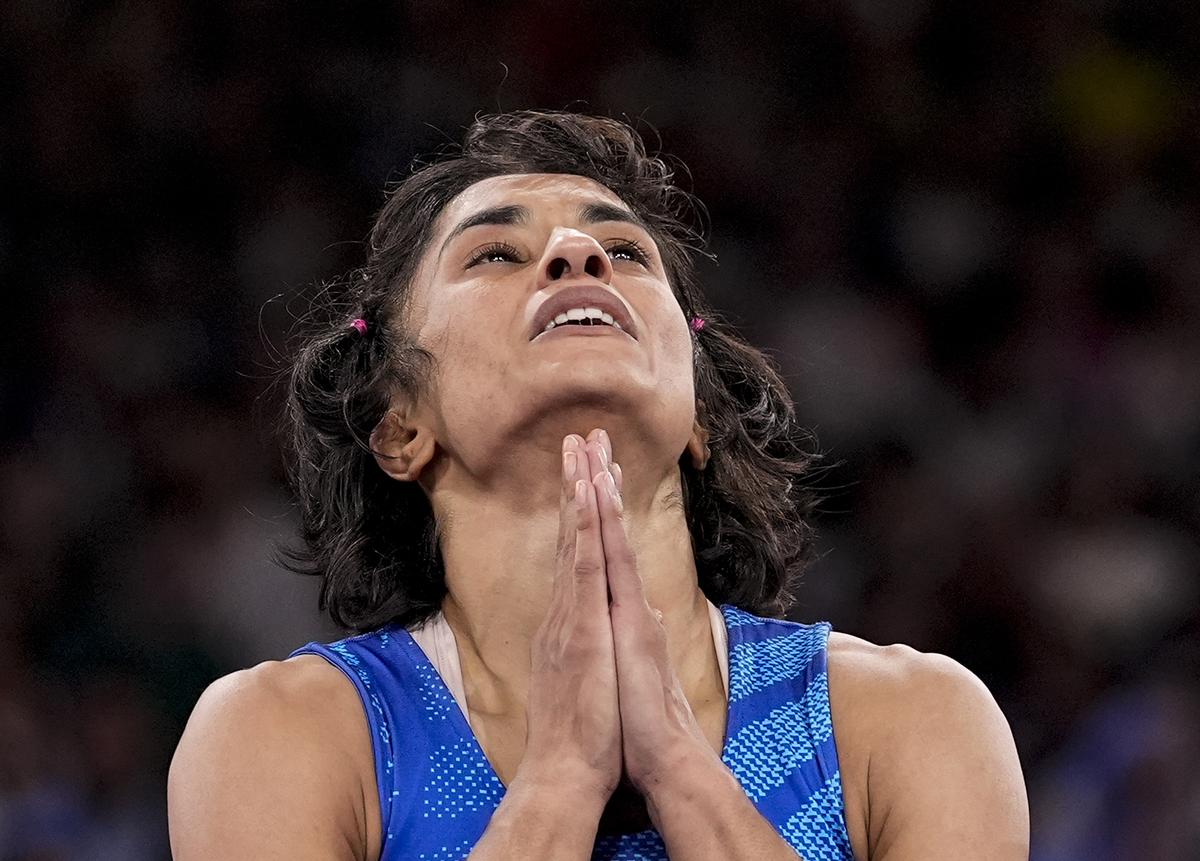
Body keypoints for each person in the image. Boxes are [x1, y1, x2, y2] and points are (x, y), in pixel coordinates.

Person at [167, 111, 1029, 860]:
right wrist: (560, 784)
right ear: (399, 425)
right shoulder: (285, 736)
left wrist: (684, 777)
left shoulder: (910, 719)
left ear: (701, 415)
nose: (577, 254)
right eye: (496, 252)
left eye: (623, 249)